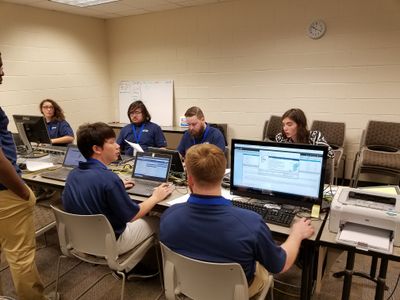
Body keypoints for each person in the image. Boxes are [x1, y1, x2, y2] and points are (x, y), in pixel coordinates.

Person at [160, 144, 315, 297]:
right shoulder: (251, 224)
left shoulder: (168, 216)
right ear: (222, 176)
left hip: (186, 287)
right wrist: (297, 234)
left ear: (190, 180)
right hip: (235, 294)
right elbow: (281, 265)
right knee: (262, 265)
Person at [62, 122, 173, 257]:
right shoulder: (109, 179)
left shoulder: (73, 174)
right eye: (112, 142)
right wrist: (156, 197)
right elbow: (132, 216)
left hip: (82, 240)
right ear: (97, 149)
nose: (118, 146)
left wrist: (118, 186)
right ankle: (132, 268)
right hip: (111, 243)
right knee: (158, 221)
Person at [0, 52, 46, 299]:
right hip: (6, 194)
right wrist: (21, 190)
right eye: (0, 66)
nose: (3, 72)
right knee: (20, 256)